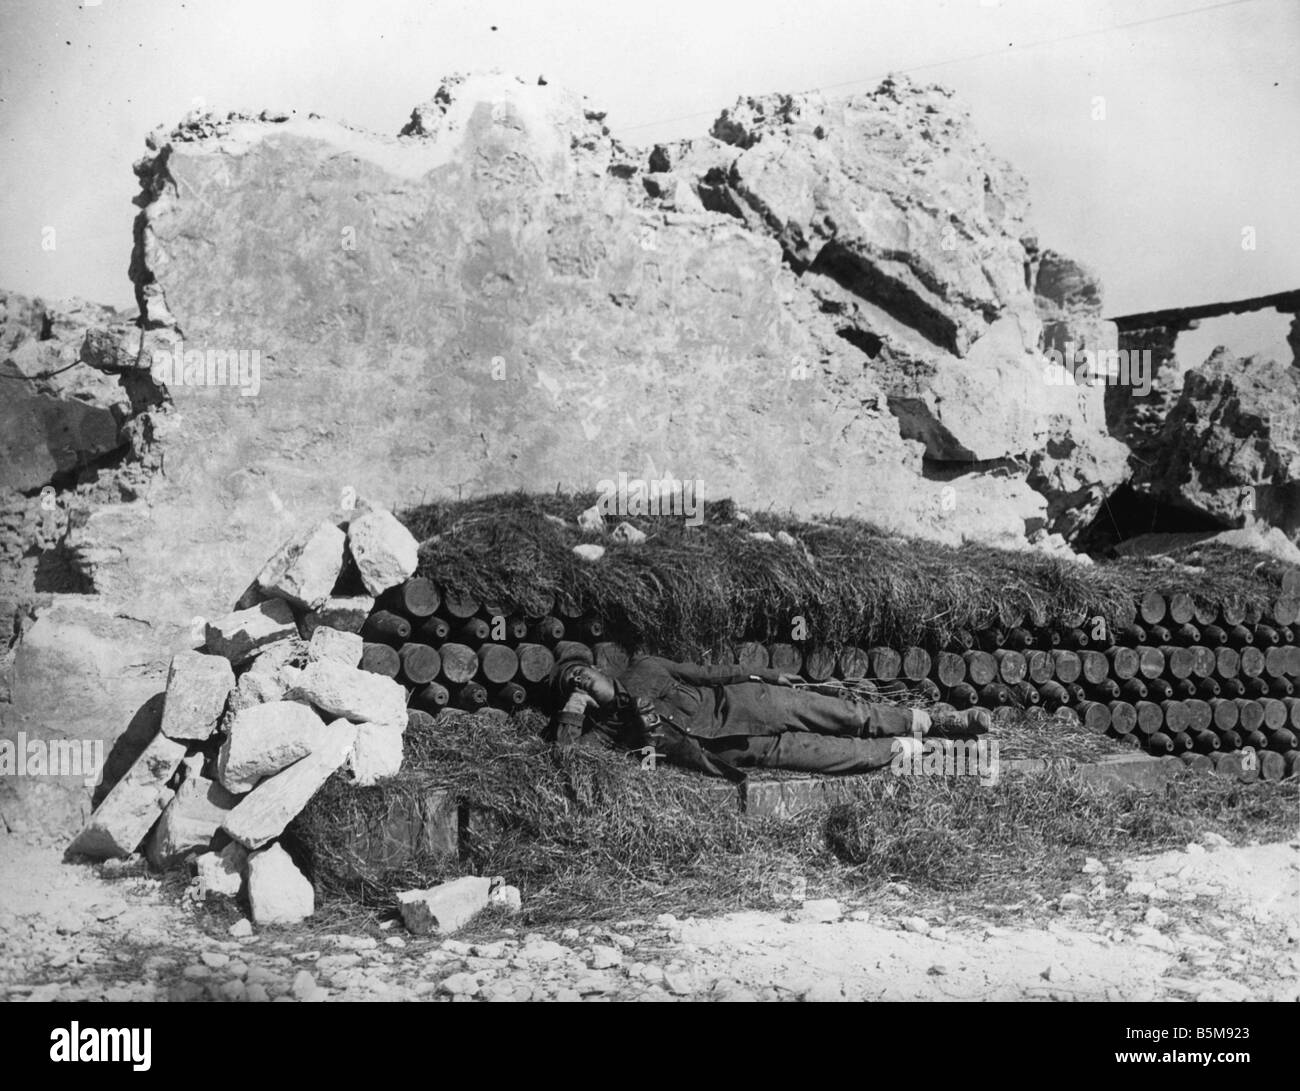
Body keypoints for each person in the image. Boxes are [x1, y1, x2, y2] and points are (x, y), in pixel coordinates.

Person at [548, 654, 990, 782]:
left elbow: (709, 673)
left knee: (848, 714)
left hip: (751, 702)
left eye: (581, 673)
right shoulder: (609, 731)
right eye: (573, 684)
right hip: (737, 749)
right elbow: (568, 760)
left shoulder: (645, 668)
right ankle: (923, 751)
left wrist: (766, 674)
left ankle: (938, 723)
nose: (581, 681)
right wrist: (574, 711)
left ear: (598, 668)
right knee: (836, 756)